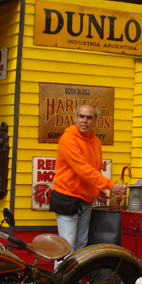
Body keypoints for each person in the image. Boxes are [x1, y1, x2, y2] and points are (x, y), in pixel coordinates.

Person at [51, 103, 127, 251]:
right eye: (81, 116)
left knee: (81, 244)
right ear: (75, 118)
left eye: (89, 117)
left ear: (95, 121)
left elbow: (94, 170)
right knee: (66, 247)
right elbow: (83, 169)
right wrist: (110, 185)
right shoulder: (68, 139)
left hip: (85, 201)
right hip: (67, 198)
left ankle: (76, 275)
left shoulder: (96, 142)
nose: (84, 121)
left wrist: (97, 189)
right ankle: (61, 275)